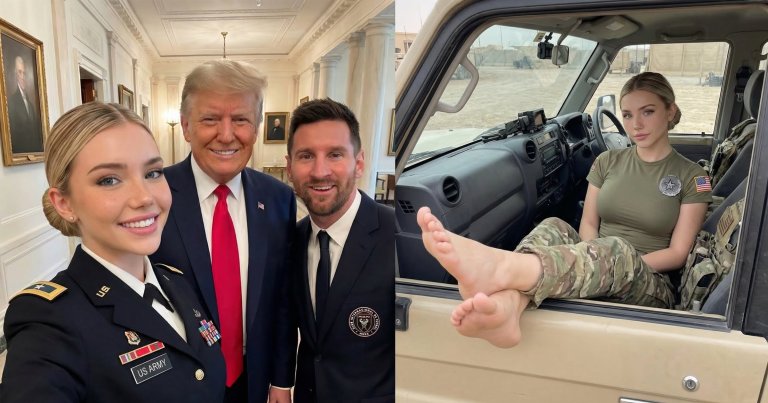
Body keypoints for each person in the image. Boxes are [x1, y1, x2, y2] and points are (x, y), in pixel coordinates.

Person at [416, 72, 712, 348]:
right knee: (555, 224)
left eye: (648, 112)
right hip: (598, 258)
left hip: (651, 283)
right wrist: (591, 259)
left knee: (618, 252)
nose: (636, 124)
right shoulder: (607, 162)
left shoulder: (694, 178)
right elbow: (588, 223)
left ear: (670, 111)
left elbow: (678, 253)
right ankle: (510, 307)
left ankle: (502, 269)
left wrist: (612, 262)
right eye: (627, 115)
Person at [1, 102, 225, 402]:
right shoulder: (50, 320)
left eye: (153, 173)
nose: (144, 197)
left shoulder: (175, 281)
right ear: (64, 203)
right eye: (109, 180)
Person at [150, 59, 296, 403]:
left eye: (241, 119)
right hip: (179, 384)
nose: (227, 134)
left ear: (257, 128)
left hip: (255, 379)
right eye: (210, 119)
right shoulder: (154, 196)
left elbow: (283, 301)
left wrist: (281, 379)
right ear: (186, 126)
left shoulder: (278, 198)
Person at [286, 98, 395, 402]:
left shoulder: (394, 235)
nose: (320, 171)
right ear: (289, 167)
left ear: (358, 163)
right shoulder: (291, 240)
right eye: (306, 156)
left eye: (335, 154)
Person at [7, 55, 43, 153]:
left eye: (24, 73)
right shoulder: (11, 102)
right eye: (19, 72)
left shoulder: (31, 106)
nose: (22, 77)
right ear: (15, 75)